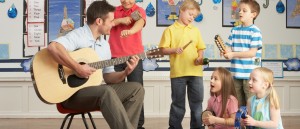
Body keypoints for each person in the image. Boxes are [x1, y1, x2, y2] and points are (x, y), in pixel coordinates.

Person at [47, 1, 144, 129]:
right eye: (111, 21)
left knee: (137, 89)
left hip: (93, 91)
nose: (113, 24)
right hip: (70, 95)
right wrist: (77, 67)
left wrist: (125, 72)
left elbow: (109, 77)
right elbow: (53, 47)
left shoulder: (104, 45)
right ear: (99, 21)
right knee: (106, 91)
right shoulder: (79, 35)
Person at [158, 0, 206, 128]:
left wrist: (200, 58)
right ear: (181, 10)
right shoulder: (170, 30)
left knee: (197, 104)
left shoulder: (195, 30)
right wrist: (174, 49)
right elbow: (162, 49)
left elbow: (200, 48)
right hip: (178, 73)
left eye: (194, 17)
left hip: (196, 73)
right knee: (178, 104)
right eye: (190, 14)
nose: (192, 18)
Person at [108, 0, 146, 128]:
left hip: (134, 57)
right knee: (115, 95)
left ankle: (138, 125)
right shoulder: (113, 11)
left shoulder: (138, 11)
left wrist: (130, 31)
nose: (127, 1)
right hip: (114, 57)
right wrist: (119, 21)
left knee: (137, 92)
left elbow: (139, 22)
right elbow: (106, 25)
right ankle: (118, 124)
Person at [223, 0, 262, 107]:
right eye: (239, 10)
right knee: (237, 104)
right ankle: (240, 124)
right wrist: (226, 52)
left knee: (251, 104)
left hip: (251, 75)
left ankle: (252, 124)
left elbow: (252, 53)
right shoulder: (234, 31)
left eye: (244, 10)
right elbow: (228, 48)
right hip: (235, 74)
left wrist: (233, 54)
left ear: (253, 15)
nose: (240, 12)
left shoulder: (255, 31)